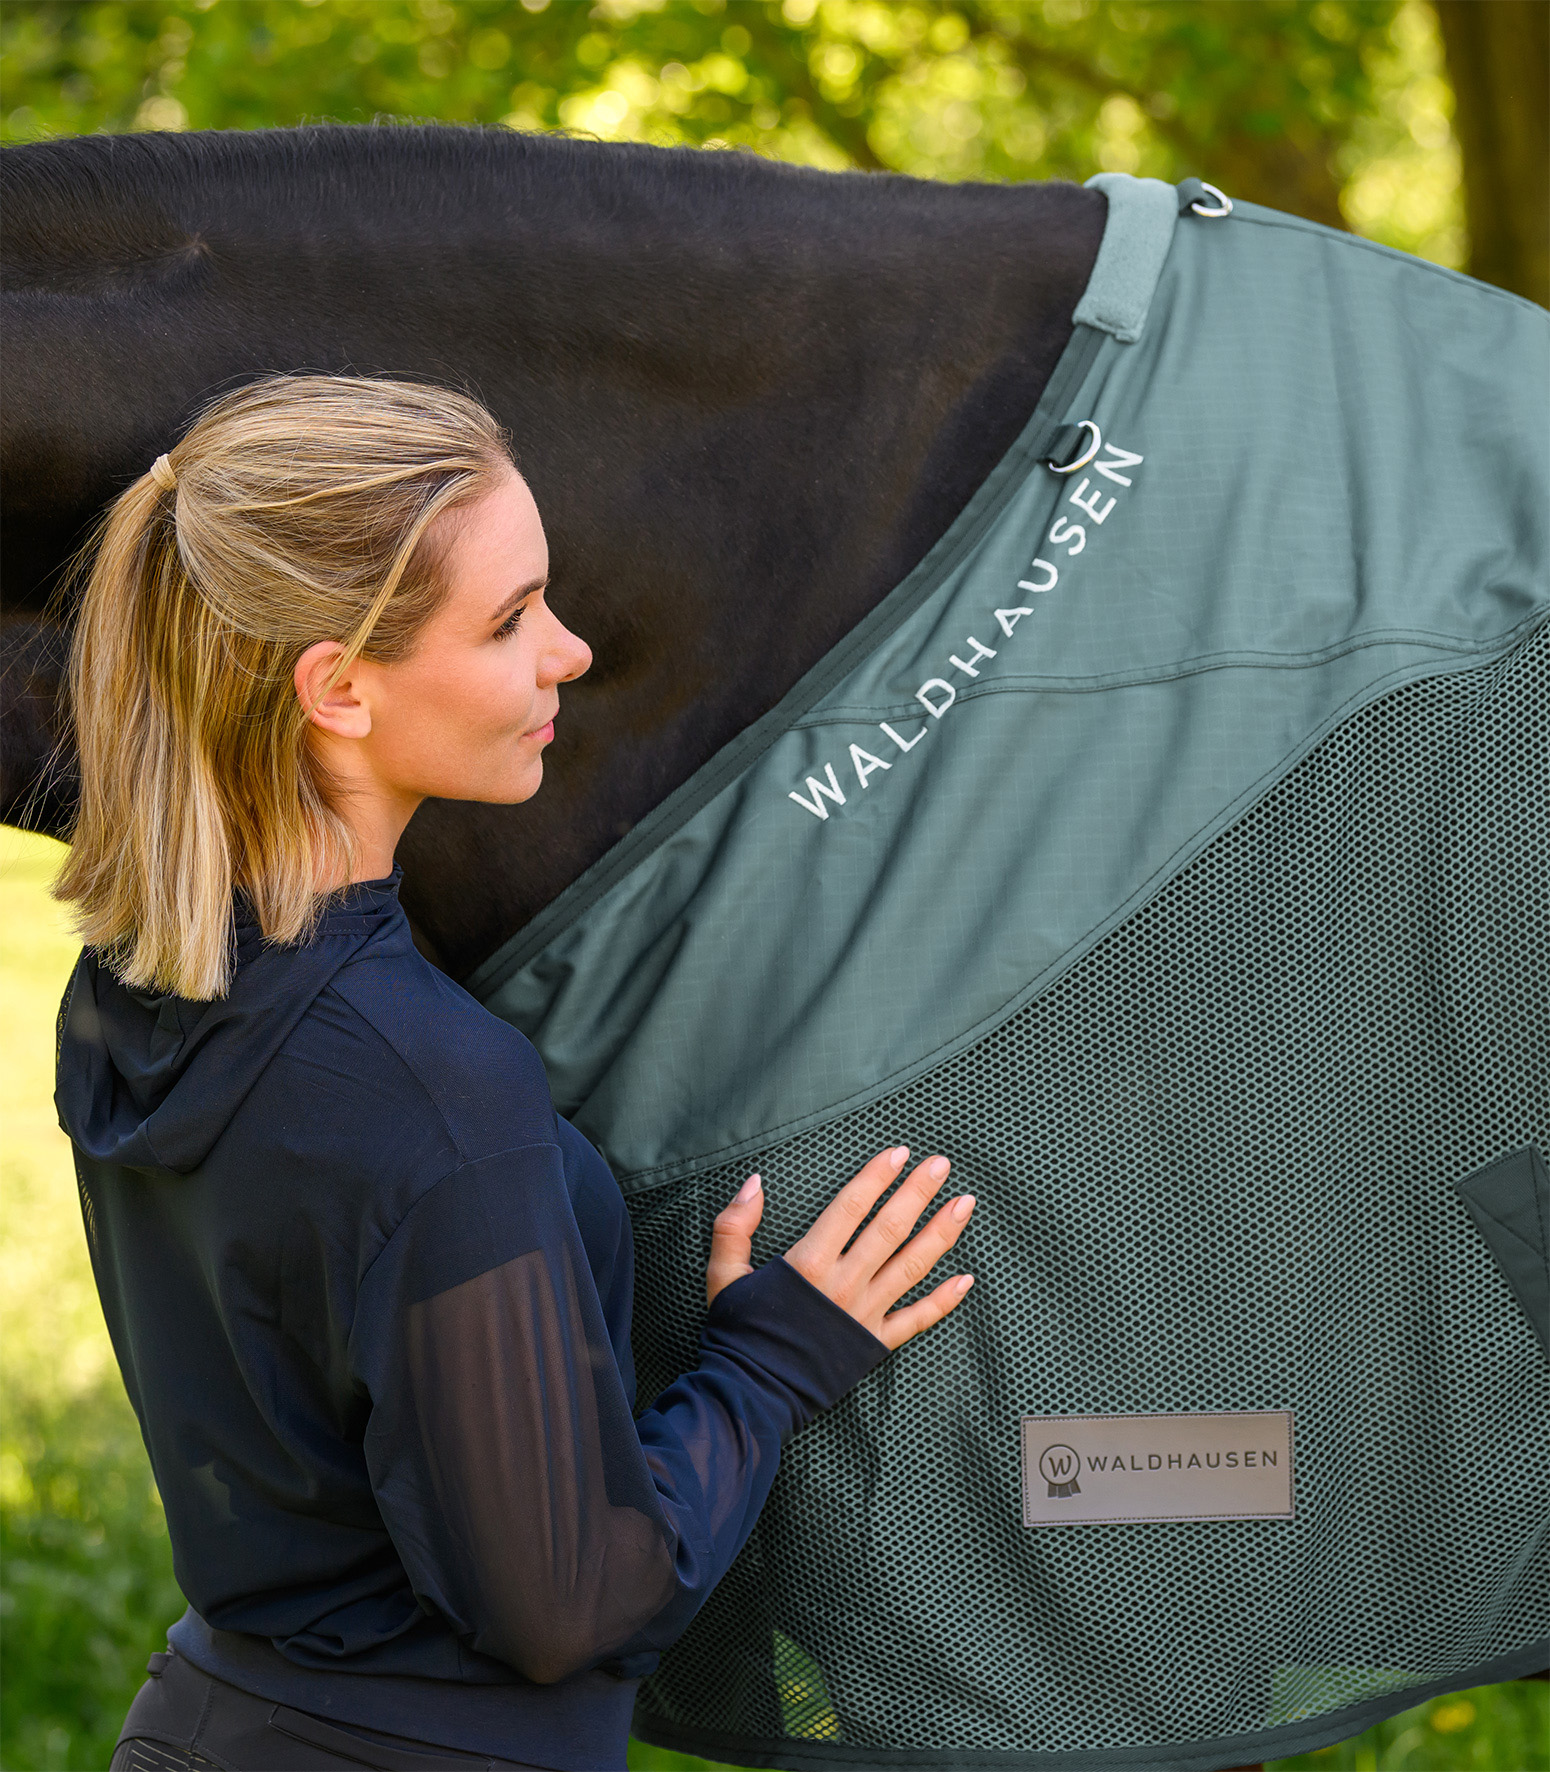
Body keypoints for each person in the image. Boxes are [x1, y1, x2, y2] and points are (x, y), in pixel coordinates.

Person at [50, 373, 977, 1772]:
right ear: (337, 689)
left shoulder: (134, 991)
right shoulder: (433, 1087)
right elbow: (566, 1604)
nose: (571, 651)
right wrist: (772, 1362)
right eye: (510, 620)